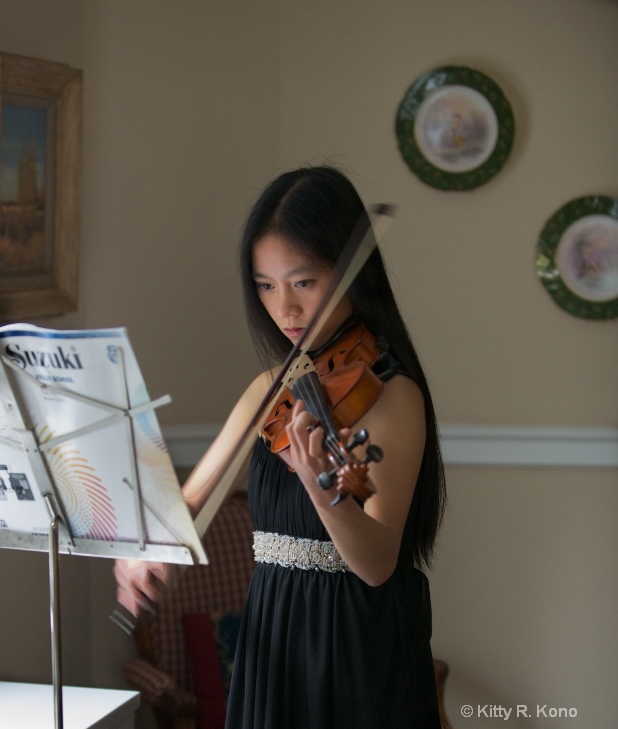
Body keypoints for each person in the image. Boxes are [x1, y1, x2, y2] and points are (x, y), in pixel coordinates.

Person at [114, 165, 446, 728]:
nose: (284, 308)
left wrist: (324, 491)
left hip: (357, 644)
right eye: (265, 286)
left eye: (304, 282)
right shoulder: (270, 389)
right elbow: (189, 502)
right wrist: (144, 550)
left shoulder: (393, 397)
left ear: (351, 273)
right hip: (272, 635)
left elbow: (375, 564)